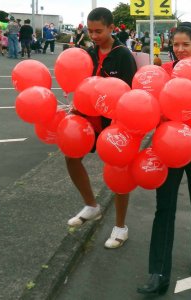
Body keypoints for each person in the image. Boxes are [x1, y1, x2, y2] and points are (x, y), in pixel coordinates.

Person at [137, 22, 191, 295]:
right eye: (175, 45)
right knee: (164, 208)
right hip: (168, 147)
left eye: (186, 44)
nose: (180, 49)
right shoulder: (163, 73)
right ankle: (158, 273)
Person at [66, 7, 137, 248]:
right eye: (90, 31)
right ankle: (91, 205)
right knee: (71, 155)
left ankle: (120, 226)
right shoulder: (88, 53)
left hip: (115, 122)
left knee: (118, 173)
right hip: (89, 119)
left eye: (99, 31)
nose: (94, 35)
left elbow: (129, 95)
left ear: (111, 28)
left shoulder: (123, 55)